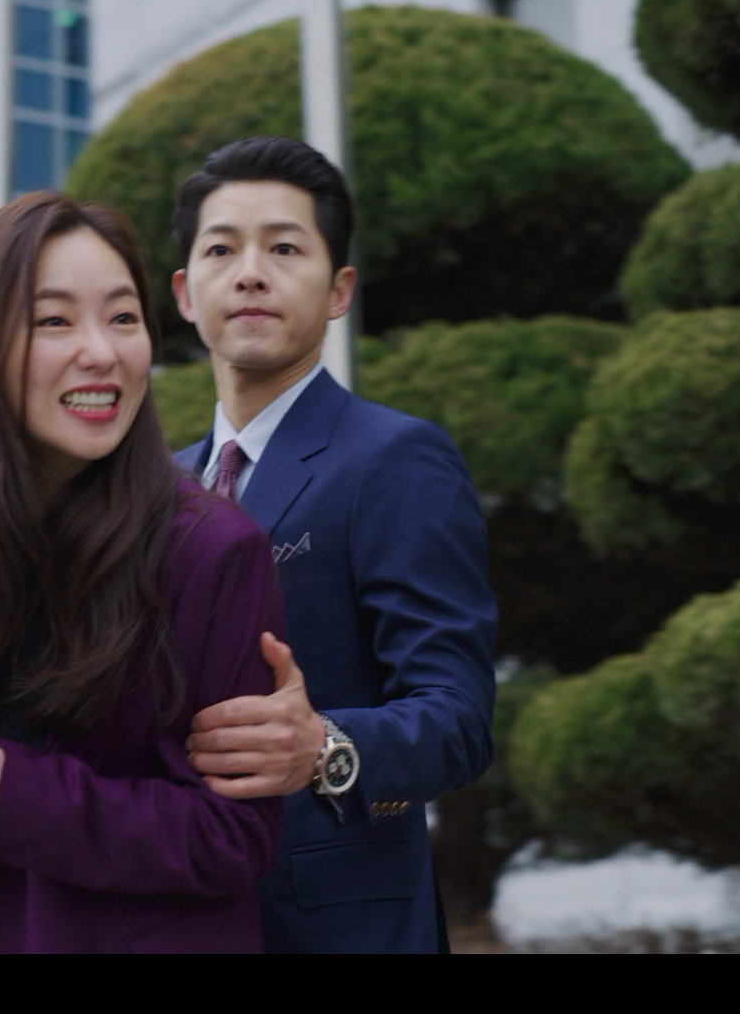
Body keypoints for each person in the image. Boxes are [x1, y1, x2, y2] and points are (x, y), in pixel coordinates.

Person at [0, 191, 285, 953]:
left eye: (123, 318)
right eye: (54, 321)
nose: (101, 352)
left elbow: (233, 838)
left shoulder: (210, 550)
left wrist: (19, 796)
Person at [169, 137, 497, 953]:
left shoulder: (394, 458)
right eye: (221, 250)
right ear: (184, 292)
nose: (250, 273)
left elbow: (457, 719)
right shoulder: (150, 490)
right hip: (170, 913)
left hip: (337, 925)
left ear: (339, 288)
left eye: (284, 248)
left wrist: (323, 747)